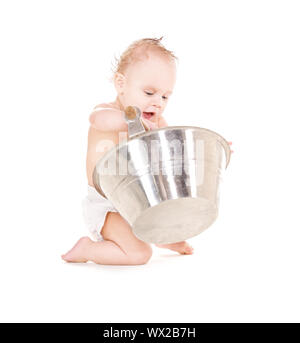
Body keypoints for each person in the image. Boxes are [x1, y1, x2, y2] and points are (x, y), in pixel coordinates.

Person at [61, 37, 232, 265]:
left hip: (142, 197)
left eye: (164, 96)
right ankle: (89, 249)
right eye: (149, 93)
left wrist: (210, 152)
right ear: (121, 84)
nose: (158, 102)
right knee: (139, 254)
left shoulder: (157, 122)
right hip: (107, 205)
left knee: (168, 206)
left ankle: (165, 238)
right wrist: (131, 120)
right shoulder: (108, 112)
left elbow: (174, 151)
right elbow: (98, 119)